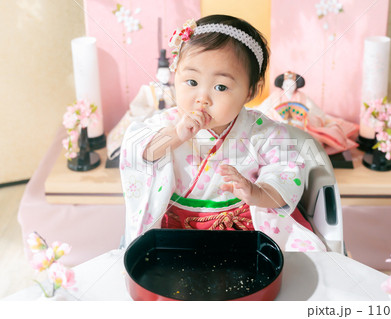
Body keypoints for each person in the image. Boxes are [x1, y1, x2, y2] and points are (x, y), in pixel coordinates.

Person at [120, 15, 326, 252]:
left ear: (250, 91)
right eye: (191, 81)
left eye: (220, 87)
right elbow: (138, 153)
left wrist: (257, 193)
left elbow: (287, 173)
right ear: (175, 76)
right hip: (177, 234)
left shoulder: (263, 132)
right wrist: (176, 135)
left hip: (243, 233)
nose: (202, 98)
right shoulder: (169, 122)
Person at [256, 71, 359, 155]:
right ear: (282, 85)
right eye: (287, 84)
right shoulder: (275, 96)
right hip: (279, 126)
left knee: (309, 141)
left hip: (299, 127)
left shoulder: (303, 97)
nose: (289, 86)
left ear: (296, 85)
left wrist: (304, 118)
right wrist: (278, 119)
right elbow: (262, 110)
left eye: (292, 84)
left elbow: (317, 113)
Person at [106, 49, 176, 161]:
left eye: (167, 74)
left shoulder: (174, 88)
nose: (164, 77)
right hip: (153, 115)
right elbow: (138, 105)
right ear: (157, 74)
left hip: (168, 117)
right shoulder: (149, 89)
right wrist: (149, 111)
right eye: (161, 74)